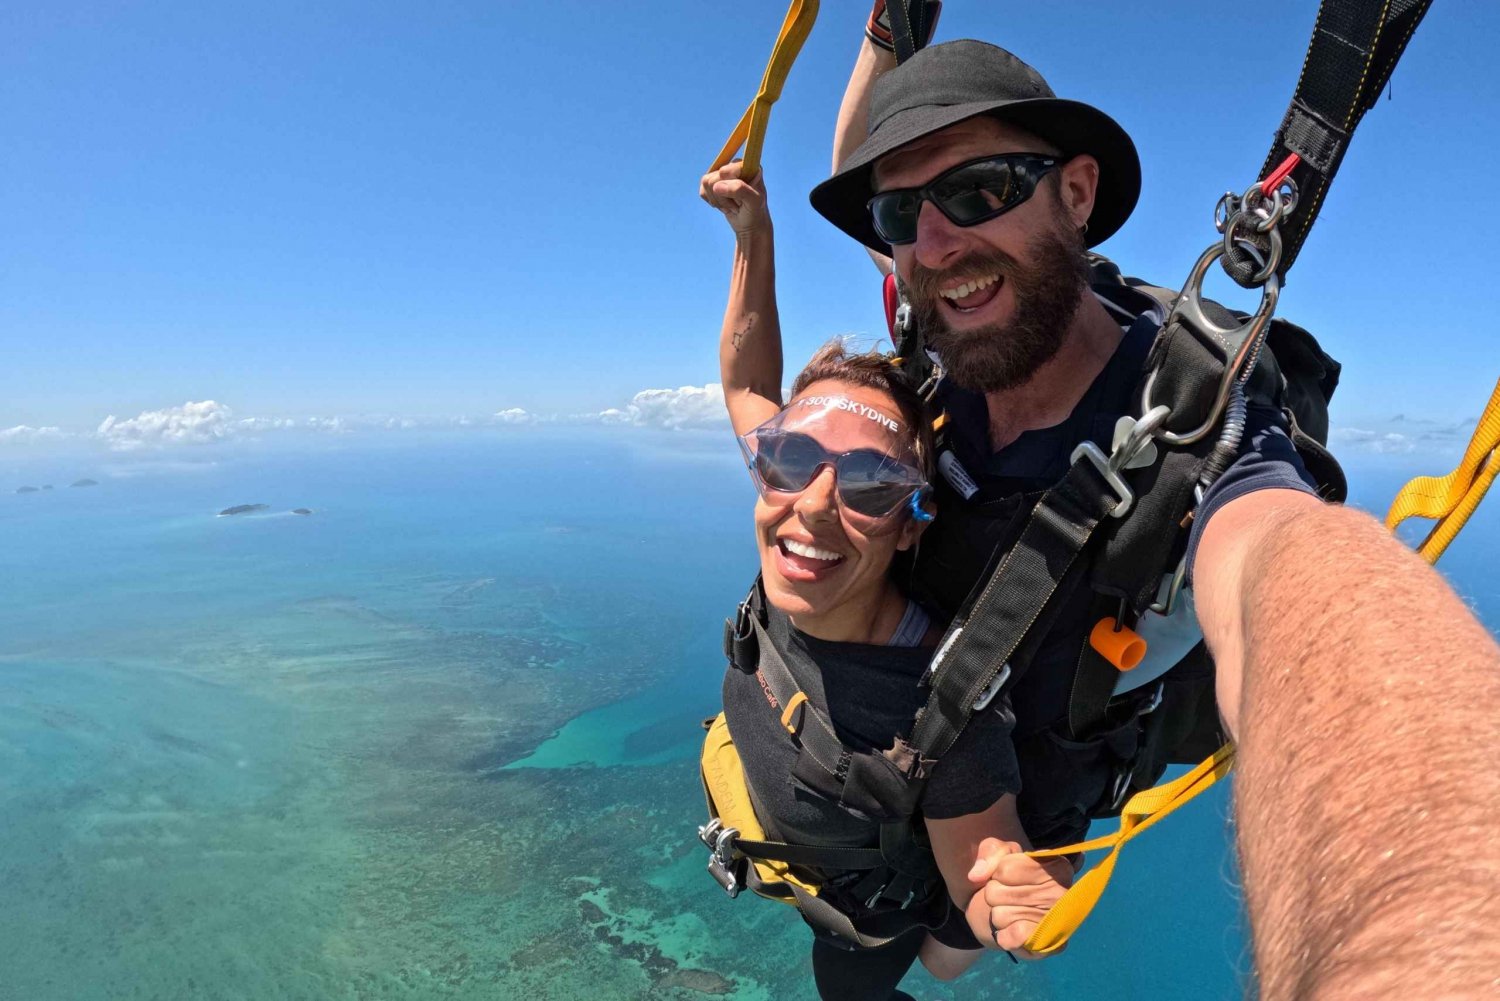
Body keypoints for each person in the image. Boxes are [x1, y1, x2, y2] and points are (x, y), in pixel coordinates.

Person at [785, 27, 1499, 1001]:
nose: (935, 238)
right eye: (902, 211)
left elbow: (1285, 574)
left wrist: (1430, 923)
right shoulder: (945, 322)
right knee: (874, 959)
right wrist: (885, 30)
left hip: (1025, 801)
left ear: (1076, 194)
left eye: (980, 188)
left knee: (963, 939)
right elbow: (852, 164)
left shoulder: (1200, 427)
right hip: (910, 756)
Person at [698, 162, 1077, 999]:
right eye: (792, 459)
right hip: (800, 848)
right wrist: (753, 236)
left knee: (881, 979)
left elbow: (988, 868)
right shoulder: (794, 493)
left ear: (914, 523)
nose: (817, 507)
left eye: (871, 485)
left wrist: (1017, 908)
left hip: (859, 915)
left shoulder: (941, 709)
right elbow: (748, 383)